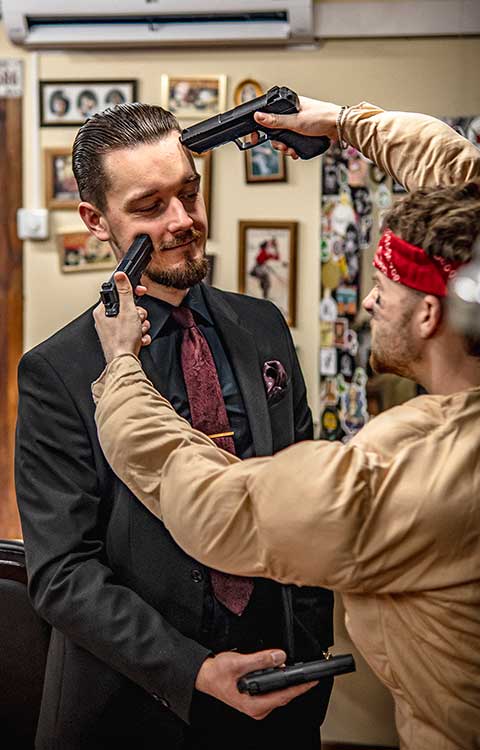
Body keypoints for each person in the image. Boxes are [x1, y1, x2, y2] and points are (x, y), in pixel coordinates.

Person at [91, 99, 480, 750]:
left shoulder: (417, 475)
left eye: (384, 287)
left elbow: (217, 505)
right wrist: (340, 121)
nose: (370, 300)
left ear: (428, 316)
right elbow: (462, 179)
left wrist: (119, 370)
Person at [15, 102, 333, 750]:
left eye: (189, 192)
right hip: (139, 705)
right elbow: (62, 572)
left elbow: (306, 487)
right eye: (150, 206)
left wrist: (310, 638)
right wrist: (193, 670)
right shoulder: (57, 371)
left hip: (280, 692)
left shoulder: (263, 326)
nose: (183, 220)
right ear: (97, 221)